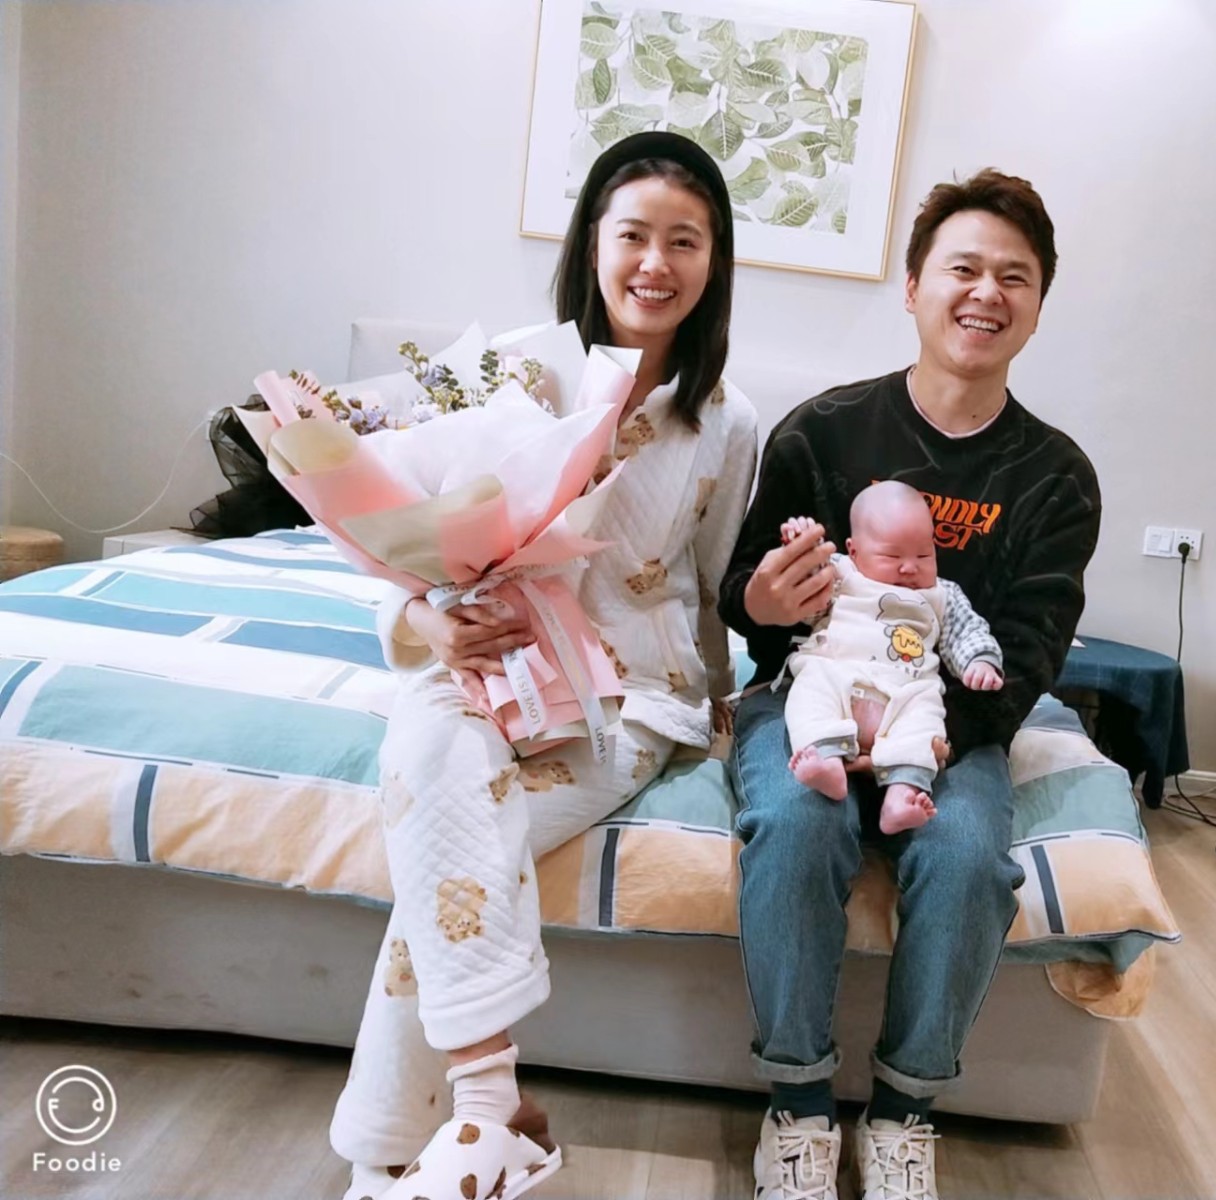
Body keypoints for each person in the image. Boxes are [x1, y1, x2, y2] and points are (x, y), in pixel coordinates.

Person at [329, 131, 758, 1200]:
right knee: (435, 771)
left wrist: (725, 709)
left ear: (713, 262)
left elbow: (712, 586)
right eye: (634, 236)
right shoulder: (515, 374)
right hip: (482, 664)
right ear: (592, 245)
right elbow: (406, 531)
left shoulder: (726, 421)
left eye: (685, 241)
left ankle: (390, 1154)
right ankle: (490, 1115)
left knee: (450, 852)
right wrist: (422, 622)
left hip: (629, 699)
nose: (655, 263)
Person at [719, 169, 1101, 1200]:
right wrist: (764, 598)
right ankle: (798, 1106)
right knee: (794, 827)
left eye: (1013, 277)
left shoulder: (1055, 476)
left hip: (948, 721)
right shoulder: (824, 431)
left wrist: (921, 737)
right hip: (807, 693)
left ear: (1037, 304)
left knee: (970, 857)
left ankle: (903, 1114)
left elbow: (1031, 651)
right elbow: (742, 600)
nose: (985, 293)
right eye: (962, 268)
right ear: (913, 286)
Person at [778, 481, 1003, 835]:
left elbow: (967, 631)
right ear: (854, 551)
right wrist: (802, 546)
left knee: (926, 720)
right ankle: (825, 761)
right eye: (892, 557)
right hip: (839, 675)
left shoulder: (942, 594)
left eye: (924, 555)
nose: (909, 568)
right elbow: (806, 599)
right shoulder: (842, 574)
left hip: (906, 693)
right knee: (810, 688)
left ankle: (901, 796)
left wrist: (979, 662)